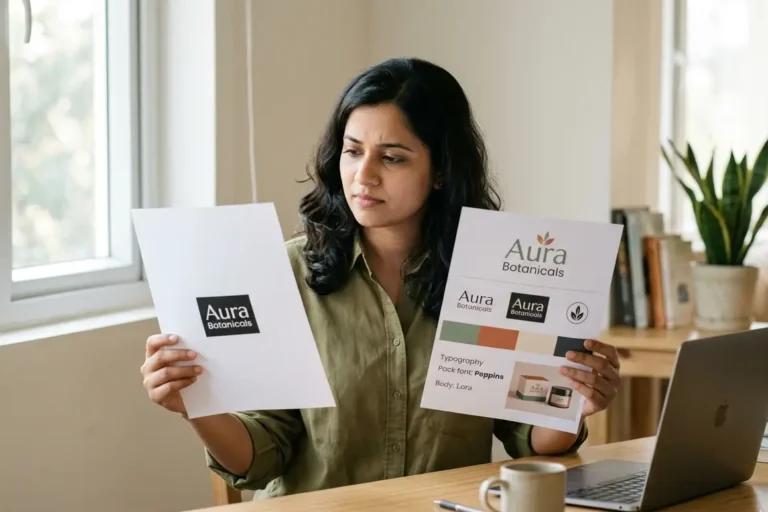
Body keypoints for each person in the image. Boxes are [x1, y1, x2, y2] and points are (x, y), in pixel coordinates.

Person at [139, 57, 622, 499]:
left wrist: (572, 403)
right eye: (353, 152)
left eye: (392, 157)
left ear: (440, 171)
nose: (363, 176)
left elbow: (525, 439)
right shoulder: (287, 274)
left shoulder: (496, 276)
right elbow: (263, 457)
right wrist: (196, 405)